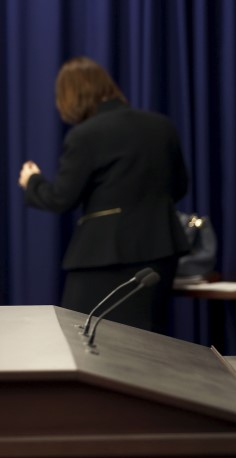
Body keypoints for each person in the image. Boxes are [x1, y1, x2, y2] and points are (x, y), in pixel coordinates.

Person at [18, 56, 190, 335]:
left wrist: (32, 181)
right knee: (150, 346)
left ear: (70, 96)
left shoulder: (85, 135)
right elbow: (180, 187)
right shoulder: (161, 126)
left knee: (86, 339)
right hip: (161, 252)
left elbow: (61, 198)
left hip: (104, 258)